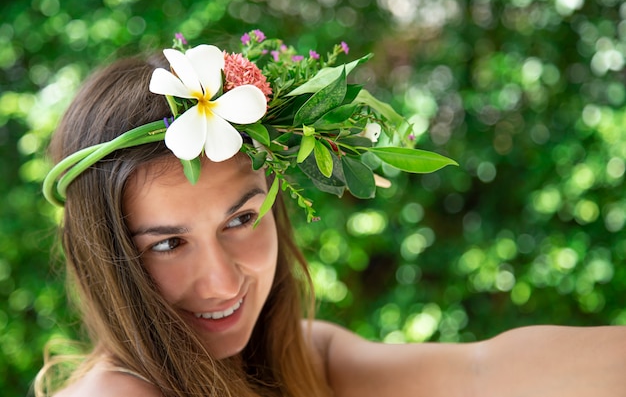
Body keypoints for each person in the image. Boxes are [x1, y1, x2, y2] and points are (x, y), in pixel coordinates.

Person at [36, 31, 626, 397]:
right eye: (167, 244)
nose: (221, 282)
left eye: (241, 220)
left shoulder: (299, 361)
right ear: (102, 254)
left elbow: (483, 374)